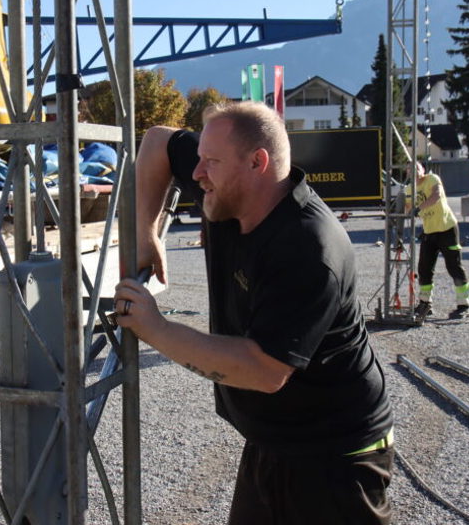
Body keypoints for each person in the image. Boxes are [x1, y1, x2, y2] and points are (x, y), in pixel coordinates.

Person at [113, 101, 394, 524]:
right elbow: (156, 143)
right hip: (274, 442)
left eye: (210, 162)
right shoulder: (228, 191)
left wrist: (155, 328)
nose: (195, 173)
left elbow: (263, 370)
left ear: (257, 163)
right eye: (200, 157)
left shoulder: (307, 248)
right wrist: (144, 232)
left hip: (335, 458)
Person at [407, 160, 469, 320]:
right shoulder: (409, 189)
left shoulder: (432, 179)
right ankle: (425, 303)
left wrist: (418, 208)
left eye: (417, 167)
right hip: (429, 232)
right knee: (424, 268)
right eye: (410, 169)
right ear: (407, 173)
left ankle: (464, 305)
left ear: (422, 169)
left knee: (454, 266)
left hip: (447, 229)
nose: (414, 171)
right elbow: (407, 207)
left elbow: (435, 196)